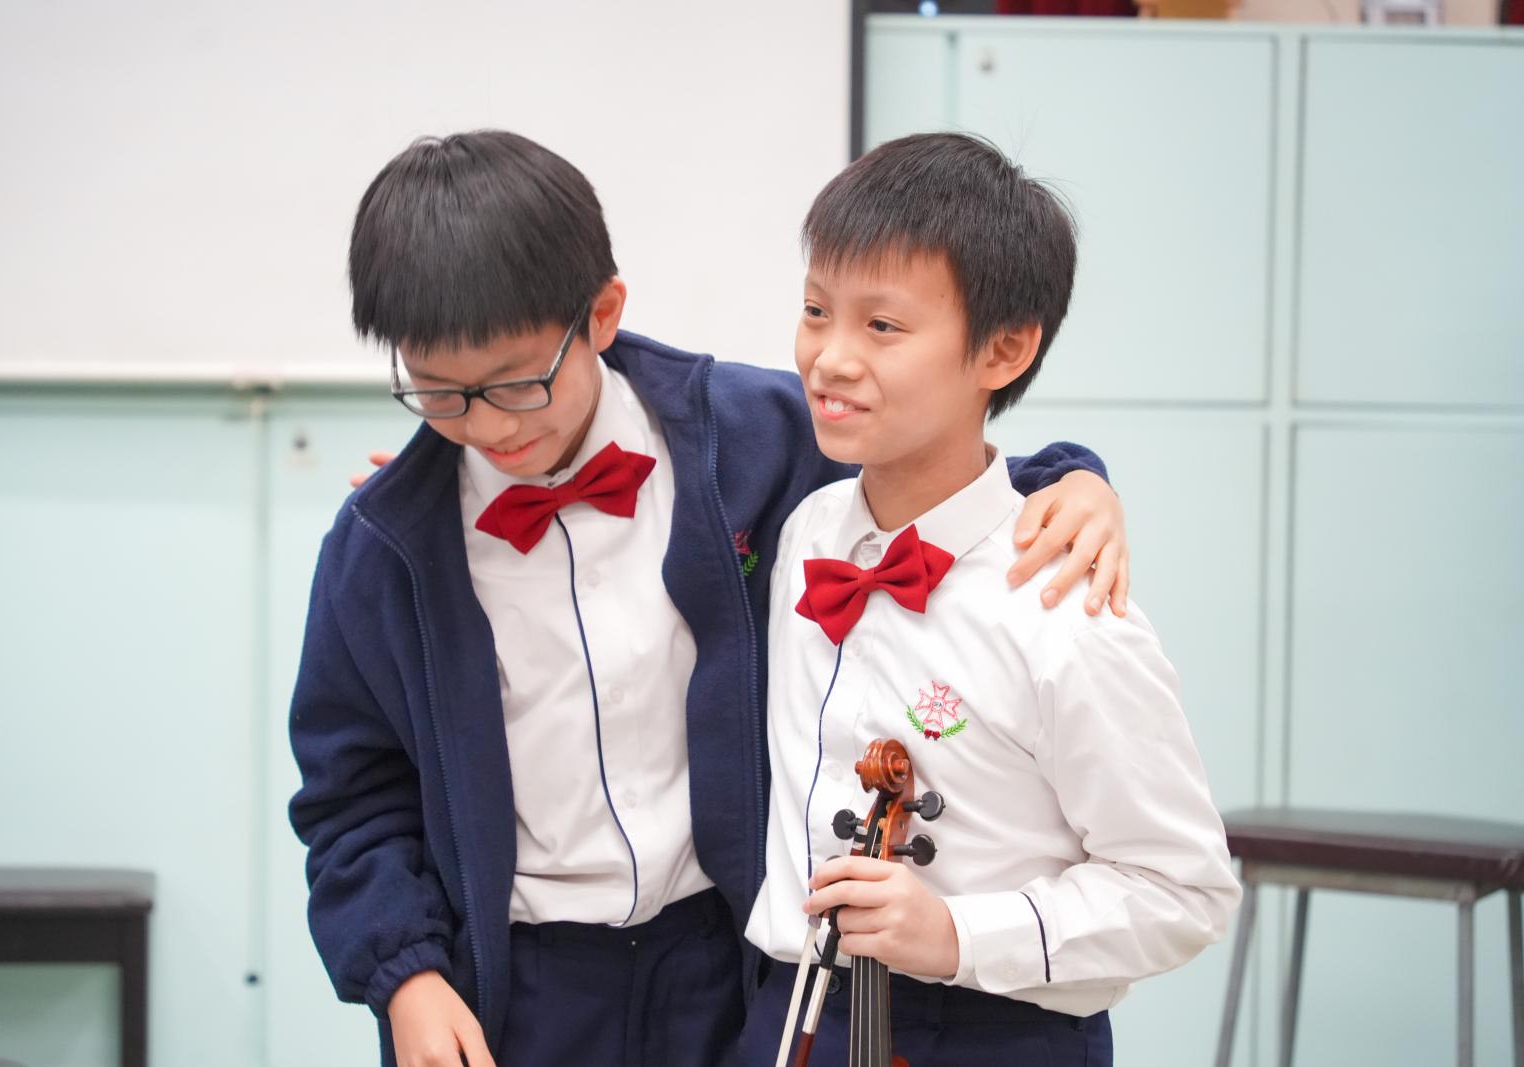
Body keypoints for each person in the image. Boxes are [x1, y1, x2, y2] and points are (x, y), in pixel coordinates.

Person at [288, 129, 1130, 1067]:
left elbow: (932, 464)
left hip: (723, 967)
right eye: (441, 394)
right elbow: (351, 797)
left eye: (517, 384)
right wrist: (404, 973)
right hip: (518, 986)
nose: (486, 425)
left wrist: (1072, 478)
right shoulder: (387, 544)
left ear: (602, 314)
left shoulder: (752, 441)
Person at [736, 132, 1240, 1066]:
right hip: (795, 1015)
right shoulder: (806, 531)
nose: (830, 358)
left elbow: (1185, 890)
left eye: (882, 327)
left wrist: (960, 933)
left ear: (1003, 349)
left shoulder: (1064, 605)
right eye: (815, 310)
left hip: (990, 1028)